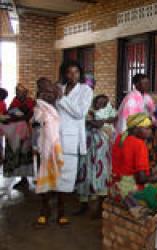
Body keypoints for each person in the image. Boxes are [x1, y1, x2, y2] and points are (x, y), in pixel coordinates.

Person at [56, 61, 93, 223]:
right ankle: (56, 206)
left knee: (66, 177)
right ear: (64, 74)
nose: (73, 76)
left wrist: (62, 98)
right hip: (55, 137)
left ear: (80, 73)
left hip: (71, 139)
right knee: (55, 173)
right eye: (69, 72)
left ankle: (61, 212)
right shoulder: (60, 88)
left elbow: (80, 113)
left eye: (76, 72)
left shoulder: (86, 90)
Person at [75, 94, 117, 217]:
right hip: (87, 146)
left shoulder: (108, 111)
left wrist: (99, 121)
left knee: (102, 174)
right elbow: (94, 123)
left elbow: (105, 121)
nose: (100, 104)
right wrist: (103, 120)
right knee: (84, 173)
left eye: (104, 103)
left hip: (102, 147)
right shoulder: (88, 111)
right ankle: (84, 205)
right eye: (98, 102)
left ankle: (100, 208)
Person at [32, 80, 66, 226]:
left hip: (61, 146)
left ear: (55, 91)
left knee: (61, 181)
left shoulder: (62, 105)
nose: (47, 95)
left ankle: (61, 212)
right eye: (43, 91)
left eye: (50, 91)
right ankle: (44, 210)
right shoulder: (39, 107)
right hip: (45, 148)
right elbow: (37, 121)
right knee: (44, 178)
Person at [110, 113, 152, 204]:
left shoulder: (120, 138)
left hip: (114, 187)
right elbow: (141, 179)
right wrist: (153, 178)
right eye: (147, 128)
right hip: (129, 192)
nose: (150, 131)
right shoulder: (139, 145)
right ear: (136, 129)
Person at [3, 84, 35, 179]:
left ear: (25, 92)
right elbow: (9, 112)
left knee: (24, 154)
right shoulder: (15, 100)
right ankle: (18, 176)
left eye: (20, 91)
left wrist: (15, 117)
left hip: (25, 131)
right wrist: (9, 116)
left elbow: (28, 116)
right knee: (15, 154)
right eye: (16, 91)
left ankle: (24, 179)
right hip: (14, 132)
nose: (17, 93)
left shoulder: (30, 101)